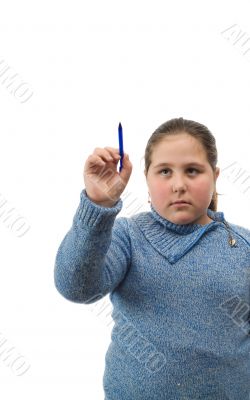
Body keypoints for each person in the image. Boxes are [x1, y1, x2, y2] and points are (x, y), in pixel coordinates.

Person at [54, 117, 250, 399]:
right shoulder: (128, 237)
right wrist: (98, 204)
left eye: (193, 171)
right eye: (165, 172)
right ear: (146, 177)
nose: (178, 185)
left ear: (215, 177)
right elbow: (76, 287)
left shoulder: (242, 247)